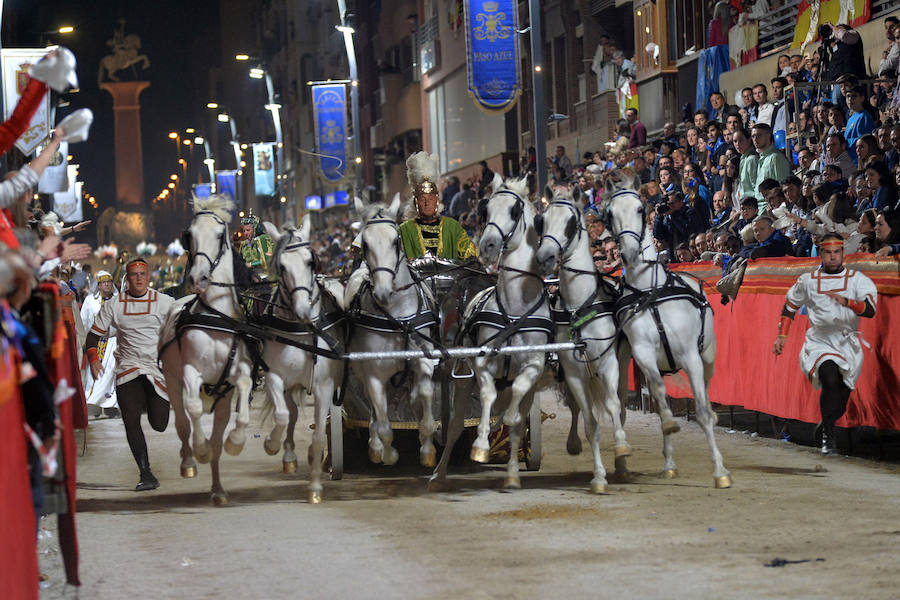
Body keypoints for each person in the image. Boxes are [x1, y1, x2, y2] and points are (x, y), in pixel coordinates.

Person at [773, 233, 877, 455]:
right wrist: (782, 336)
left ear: (843, 253)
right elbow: (789, 306)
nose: (832, 257)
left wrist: (848, 302)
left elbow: (870, 310)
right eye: (828, 253)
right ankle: (829, 439)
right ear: (821, 253)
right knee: (829, 377)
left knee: (840, 398)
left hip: (849, 342)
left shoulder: (858, 279)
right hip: (819, 340)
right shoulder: (807, 281)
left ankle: (825, 425)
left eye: (836, 252)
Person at [85, 258, 175, 490]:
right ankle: (145, 473)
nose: (138, 278)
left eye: (142, 274)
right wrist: (94, 360)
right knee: (130, 420)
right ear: (127, 277)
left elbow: (181, 330)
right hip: (127, 369)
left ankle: (149, 401)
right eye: (133, 274)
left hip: (155, 370)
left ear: (148, 276)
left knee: (160, 424)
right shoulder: (114, 304)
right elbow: (92, 337)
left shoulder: (164, 302)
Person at [399, 151, 478, 261]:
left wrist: (472, 257)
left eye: (431, 199)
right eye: (422, 199)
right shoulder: (404, 230)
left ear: (437, 201)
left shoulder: (452, 226)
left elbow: (471, 253)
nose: (427, 203)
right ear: (416, 202)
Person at [80, 270, 118, 415]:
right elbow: (83, 321)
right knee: (94, 374)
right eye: (104, 283)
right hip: (95, 343)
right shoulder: (90, 301)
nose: (107, 285)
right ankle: (93, 405)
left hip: (113, 342)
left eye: (109, 282)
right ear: (99, 285)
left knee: (110, 374)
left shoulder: (118, 299)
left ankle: (110, 406)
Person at [752, 123, 791, 213]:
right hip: (759, 209)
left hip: (770, 210)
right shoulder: (762, 158)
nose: (755, 139)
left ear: (768, 135)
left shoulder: (776, 157)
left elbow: (782, 187)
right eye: (753, 136)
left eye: (758, 135)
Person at [238, 210, 274, 277]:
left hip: (264, 275)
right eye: (244, 230)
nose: (245, 233)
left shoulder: (263, 239)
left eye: (248, 230)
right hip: (249, 275)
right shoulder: (244, 244)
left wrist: (251, 264)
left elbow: (268, 261)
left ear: (255, 229)